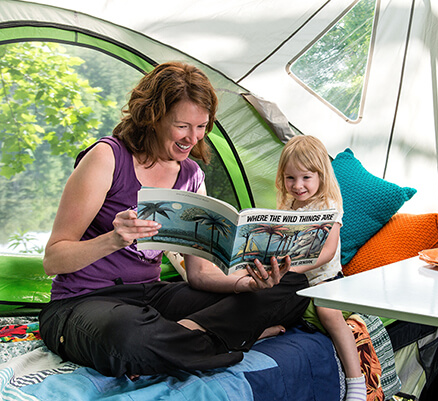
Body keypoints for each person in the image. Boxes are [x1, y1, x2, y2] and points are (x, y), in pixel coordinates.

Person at [38, 61, 310, 378]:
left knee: (292, 288)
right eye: (182, 125)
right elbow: (53, 259)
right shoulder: (107, 158)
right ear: (153, 116)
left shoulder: (192, 176)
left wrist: (247, 283)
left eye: (201, 126)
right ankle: (227, 338)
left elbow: (198, 276)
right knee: (127, 334)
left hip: (150, 298)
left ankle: (183, 338)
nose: (192, 138)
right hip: (83, 303)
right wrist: (113, 240)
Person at [275, 135, 367, 401]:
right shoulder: (288, 206)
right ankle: (266, 330)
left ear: (321, 175)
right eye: (290, 178)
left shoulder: (328, 207)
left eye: (305, 177)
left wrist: (293, 269)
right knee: (260, 294)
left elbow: (326, 254)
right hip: (293, 277)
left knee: (327, 311)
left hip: (324, 279)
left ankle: (356, 380)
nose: (297, 185)